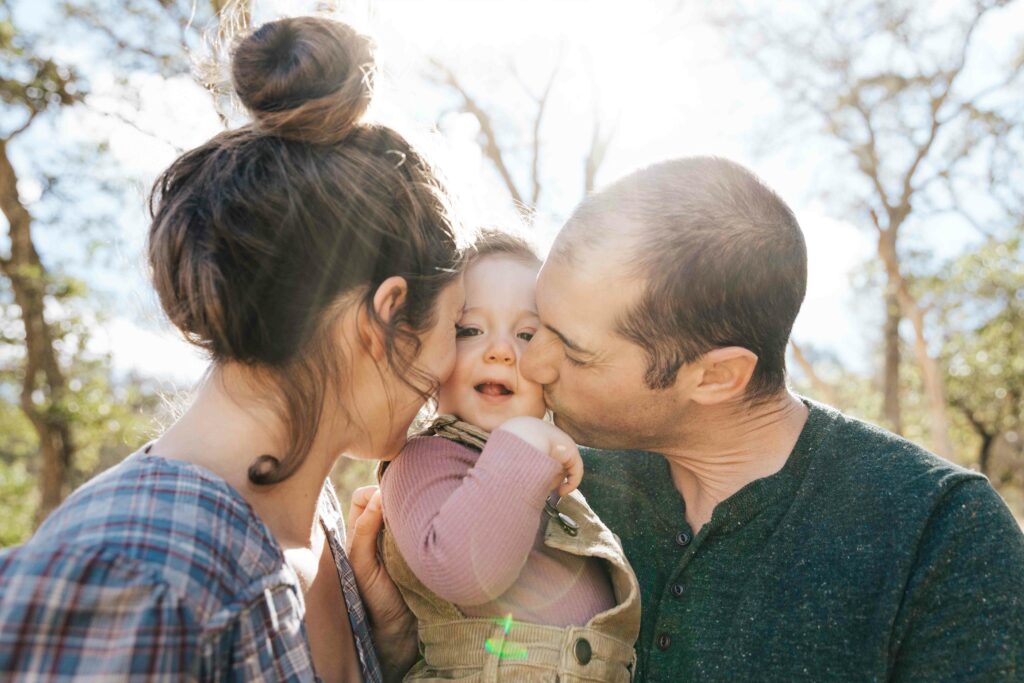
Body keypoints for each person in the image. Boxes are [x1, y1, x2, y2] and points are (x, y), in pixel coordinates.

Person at [0, 16, 465, 682]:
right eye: (461, 326)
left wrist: (388, 654)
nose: (453, 370)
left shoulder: (323, 525)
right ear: (384, 315)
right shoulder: (129, 579)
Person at [518, 156, 1024, 681]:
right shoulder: (544, 472)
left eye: (575, 352)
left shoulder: (941, 533)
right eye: (536, 325)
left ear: (717, 376)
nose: (532, 364)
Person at [379, 231, 640, 681]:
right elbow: (461, 570)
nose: (500, 351)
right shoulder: (424, 457)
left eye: (526, 334)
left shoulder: (552, 466)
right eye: (470, 330)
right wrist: (522, 442)